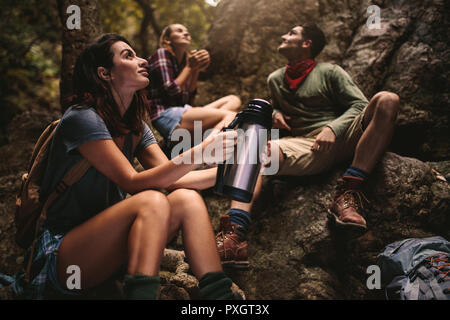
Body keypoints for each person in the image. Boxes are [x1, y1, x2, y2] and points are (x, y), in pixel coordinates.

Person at [10, 33, 241, 300]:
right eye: (128, 56)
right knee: (152, 201)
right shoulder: (82, 118)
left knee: (187, 199)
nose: (142, 60)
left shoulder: (137, 126)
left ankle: (220, 296)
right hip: (64, 255)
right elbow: (130, 180)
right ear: (104, 73)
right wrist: (202, 150)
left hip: (109, 249)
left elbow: (173, 178)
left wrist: (229, 173)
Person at [265, 22, 400, 235]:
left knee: (388, 100)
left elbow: (360, 105)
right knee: (262, 154)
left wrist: (332, 128)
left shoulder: (330, 72)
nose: (283, 36)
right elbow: (273, 107)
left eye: (291, 33)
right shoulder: (274, 79)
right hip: (305, 145)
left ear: (306, 43)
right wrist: (274, 114)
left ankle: (348, 192)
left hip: (343, 137)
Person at [146, 23, 241, 151]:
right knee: (230, 115)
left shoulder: (184, 62)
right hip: (167, 117)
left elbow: (189, 101)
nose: (186, 33)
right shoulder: (162, 53)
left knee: (233, 100)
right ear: (167, 40)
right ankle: (211, 149)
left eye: (187, 32)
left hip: (183, 114)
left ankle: (208, 135)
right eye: (179, 31)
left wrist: (196, 69)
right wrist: (190, 67)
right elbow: (170, 90)